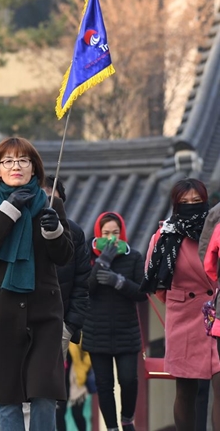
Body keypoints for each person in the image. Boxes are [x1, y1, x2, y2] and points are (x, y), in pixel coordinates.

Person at [0, 137, 73, 431]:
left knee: (43, 392)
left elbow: (65, 256)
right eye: (8, 161)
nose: (16, 166)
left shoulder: (52, 205)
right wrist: (9, 211)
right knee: (6, 395)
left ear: (34, 169)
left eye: (23, 160)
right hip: (0, 312)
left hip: (44, 313)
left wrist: (54, 231)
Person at [143, 178, 220, 430]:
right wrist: (178, 300)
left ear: (206, 202)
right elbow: (154, 279)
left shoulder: (216, 230)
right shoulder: (164, 236)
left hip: (217, 314)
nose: (191, 206)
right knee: (185, 389)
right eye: (184, 202)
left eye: (197, 202)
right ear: (175, 205)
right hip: (184, 318)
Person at [82, 211, 146, 431]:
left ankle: (127, 418)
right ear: (98, 233)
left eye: (115, 233)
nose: (111, 238)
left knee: (128, 379)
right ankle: (110, 427)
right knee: (104, 384)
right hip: (95, 330)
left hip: (126, 329)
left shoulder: (134, 257)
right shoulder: (87, 255)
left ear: (122, 234)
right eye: (106, 233)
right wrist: (102, 262)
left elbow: (142, 293)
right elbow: (86, 288)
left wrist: (119, 281)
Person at [41, 176, 90, 431]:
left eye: (52, 195)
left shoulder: (75, 233)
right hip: (19, 321)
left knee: (49, 390)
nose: (47, 200)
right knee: (17, 390)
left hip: (58, 324)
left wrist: (70, 325)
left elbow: (83, 282)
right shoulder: (15, 228)